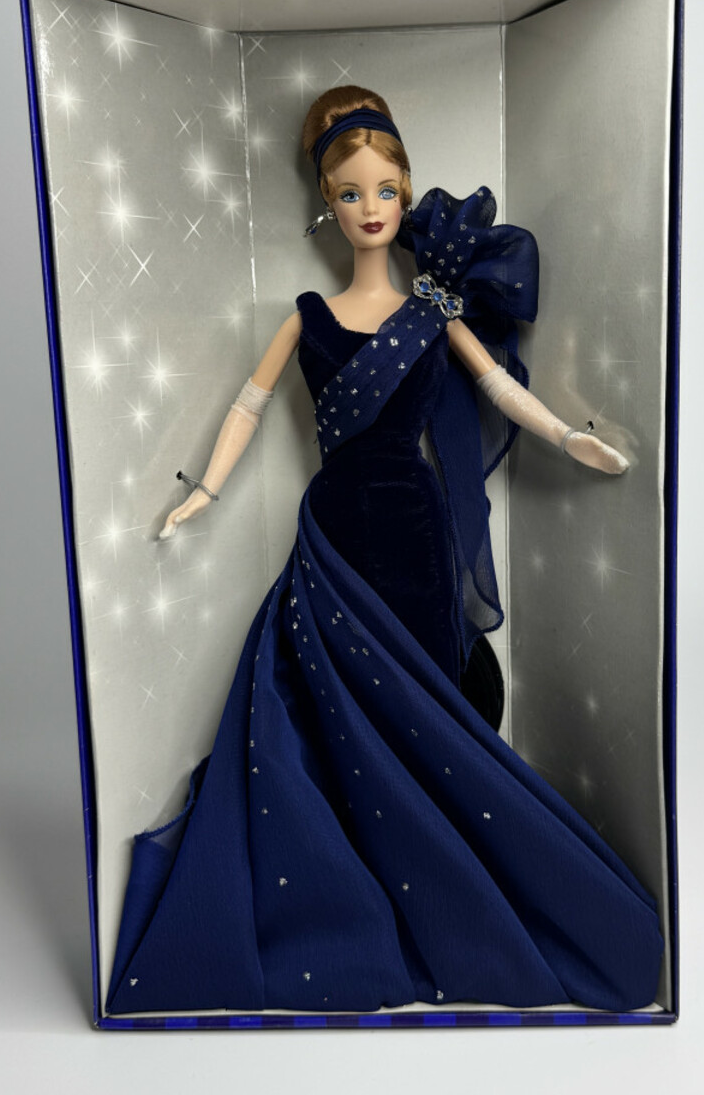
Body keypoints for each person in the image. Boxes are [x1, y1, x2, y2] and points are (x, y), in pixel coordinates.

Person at [106, 86, 662, 1015]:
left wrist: (570, 437)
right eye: (350, 192)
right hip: (337, 534)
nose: (371, 208)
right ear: (327, 202)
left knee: (425, 713)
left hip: (415, 539)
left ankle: (447, 875)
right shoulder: (308, 315)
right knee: (332, 710)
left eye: (387, 190)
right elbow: (248, 405)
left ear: (406, 196)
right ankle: (352, 879)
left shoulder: (433, 310)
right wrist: (203, 489)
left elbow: (498, 390)